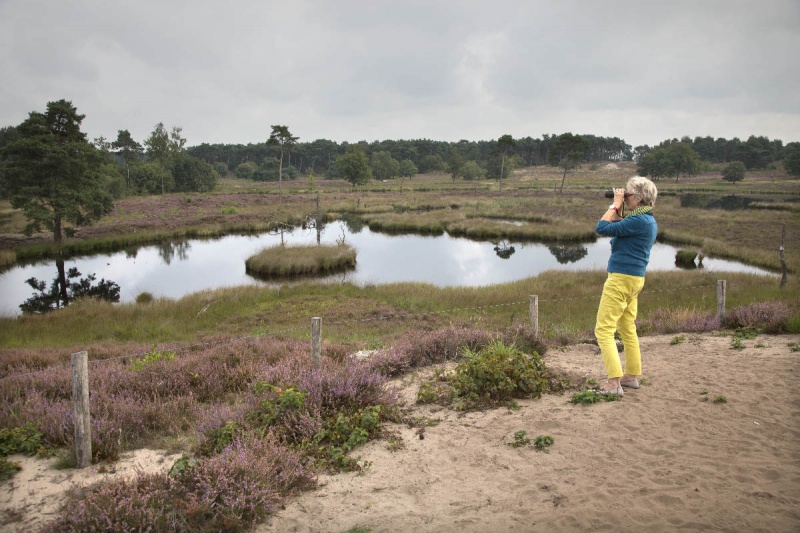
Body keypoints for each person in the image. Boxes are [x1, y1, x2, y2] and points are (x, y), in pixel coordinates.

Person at [594, 176, 658, 396]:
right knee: (627, 327)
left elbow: (601, 227)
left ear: (639, 198)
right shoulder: (647, 220)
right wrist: (621, 206)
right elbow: (618, 228)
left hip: (621, 279)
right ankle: (631, 375)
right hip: (635, 280)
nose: (625, 197)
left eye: (628, 194)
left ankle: (613, 383)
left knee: (603, 330)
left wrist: (614, 204)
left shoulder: (638, 221)